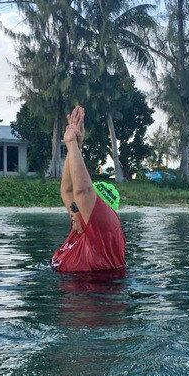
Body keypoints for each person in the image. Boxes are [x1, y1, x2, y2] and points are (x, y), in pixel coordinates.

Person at [51, 105, 126, 273]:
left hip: (93, 296)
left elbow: (82, 191)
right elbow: (68, 191)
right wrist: (76, 145)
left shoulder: (102, 234)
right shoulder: (80, 230)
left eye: (78, 207)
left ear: (98, 215)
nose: (73, 211)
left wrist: (70, 142)